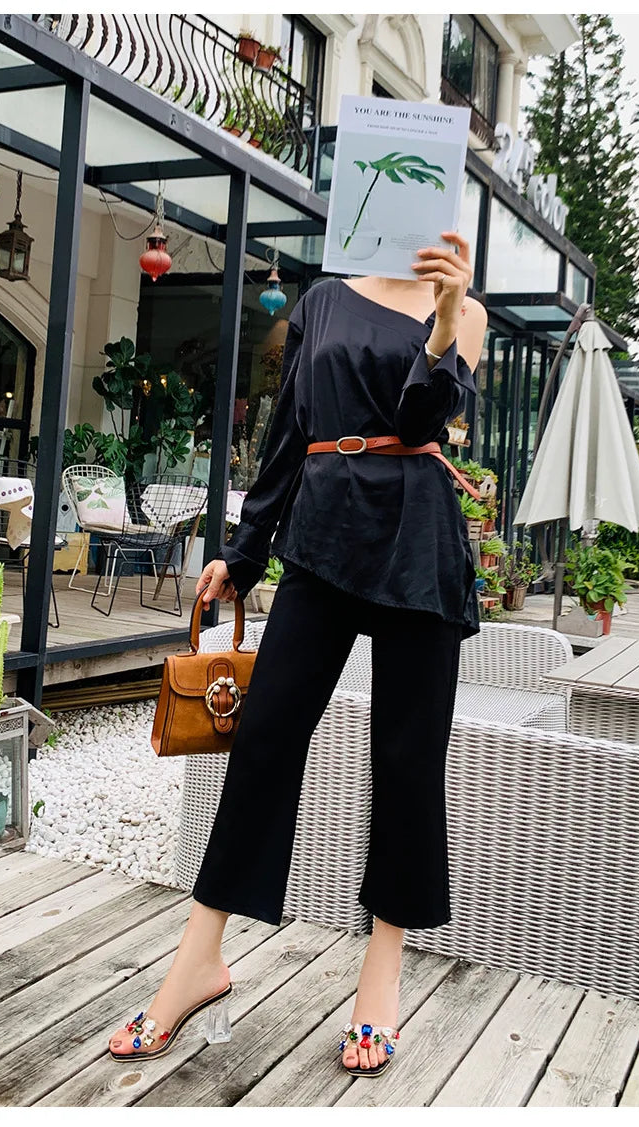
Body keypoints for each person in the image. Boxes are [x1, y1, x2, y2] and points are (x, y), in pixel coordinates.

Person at [108, 231, 488, 1076]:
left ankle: (380, 975)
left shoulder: (466, 312)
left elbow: (419, 421)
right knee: (266, 738)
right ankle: (200, 958)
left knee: (407, 758)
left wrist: (444, 318)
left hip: (419, 542)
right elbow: (287, 433)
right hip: (322, 531)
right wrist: (244, 554)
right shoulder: (323, 298)